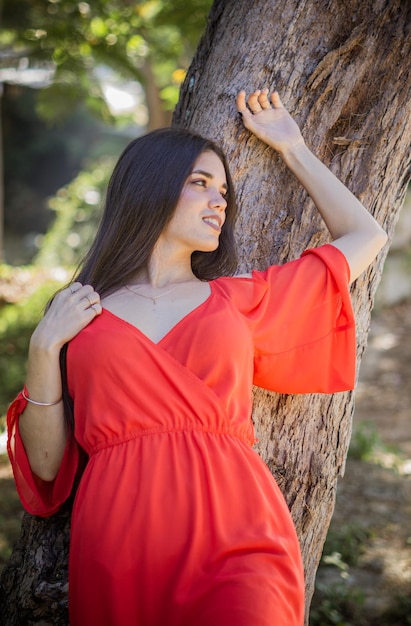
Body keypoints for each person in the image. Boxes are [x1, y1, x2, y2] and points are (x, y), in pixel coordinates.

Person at [7, 88, 387, 626]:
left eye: (224, 191)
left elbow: (366, 235)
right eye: (200, 183)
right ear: (151, 189)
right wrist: (44, 346)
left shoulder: (236, 299)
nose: (220, 202)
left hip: (238, 529)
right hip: (121, 541)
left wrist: (292, 146)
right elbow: (46, 466)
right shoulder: (81, 313)